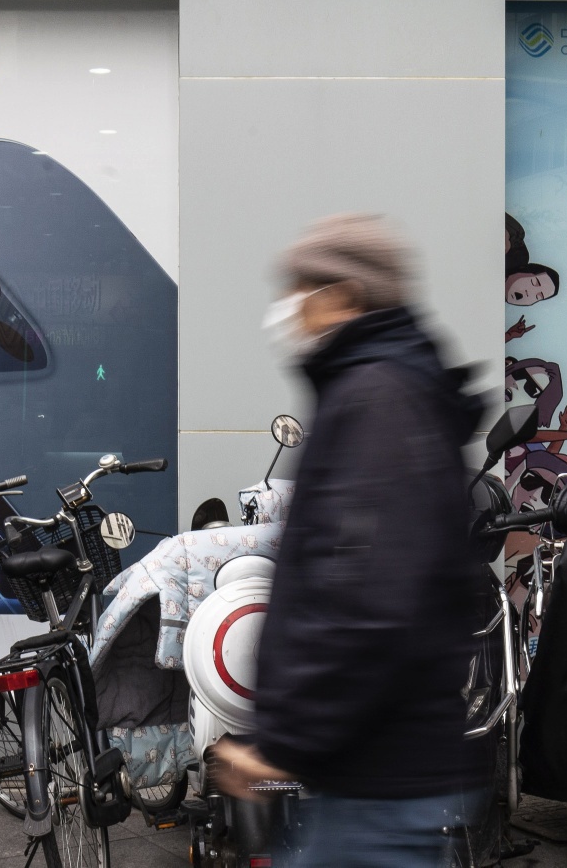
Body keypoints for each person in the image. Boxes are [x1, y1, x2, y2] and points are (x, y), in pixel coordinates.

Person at [211, 213, 487, 867]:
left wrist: (288, 743)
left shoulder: (376, 399)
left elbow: (370, 602)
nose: (285, 307)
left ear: (343, 295)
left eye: (298, 288)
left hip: (378, 781)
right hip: (373, 774)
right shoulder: (380, 389)